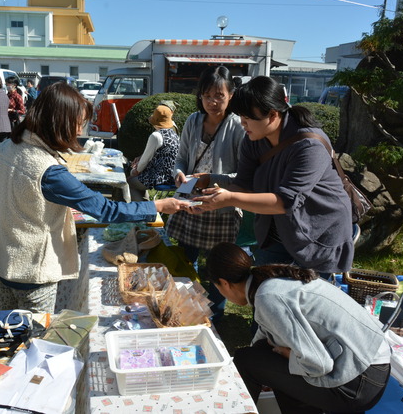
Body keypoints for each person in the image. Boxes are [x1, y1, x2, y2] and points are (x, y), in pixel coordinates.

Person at [0, 83, 188, 313]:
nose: (80, 131)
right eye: (78, 123)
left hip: (0, 260)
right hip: (31, 271)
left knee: (3, 333)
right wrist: (157, 206)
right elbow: (106, 209)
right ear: (58, 121)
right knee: (34, 338)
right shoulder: (47, 170)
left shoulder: (6, 147)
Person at [192, 76, 354, 276]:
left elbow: (285, 201)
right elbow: (243, 185)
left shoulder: (309, 145)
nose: (243, 123)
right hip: (276, 231)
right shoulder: (253, 139)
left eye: (248, 117)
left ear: (273, 114)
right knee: (266, 293)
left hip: (317, 232)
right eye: (241, 116)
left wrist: (229, 198)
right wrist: (208, 198)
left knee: (306, 301)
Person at [205, 242, 390, 414]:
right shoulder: (269, 281)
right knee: (262, 356)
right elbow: (264, 337)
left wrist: (287, 354)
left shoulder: (268, 296)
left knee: (246, 360)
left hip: (358, 382)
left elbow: (319, 363)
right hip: (368, 366)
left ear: (224, 283)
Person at [165, 65, 246, 322]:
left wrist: (214, 180)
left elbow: (244, 175)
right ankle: (183, 309)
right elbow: (180, 160)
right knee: (185, 262)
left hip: (220, 207)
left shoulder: (237, 126)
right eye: (207, 95)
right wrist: (179, 174)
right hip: (190, 204)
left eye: (219, 95)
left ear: (231, 95)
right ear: (200, 96)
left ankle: (214, 317)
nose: (213, 101)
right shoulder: (193, 121)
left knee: (218, 268)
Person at [127, 103, 179, 201]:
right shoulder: (174, 134)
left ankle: (142, 212)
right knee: (139, 181)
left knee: (130, 182)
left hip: (158, 177)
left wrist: (134, 172)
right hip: (172, 177)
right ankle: (146, 207)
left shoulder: (156, 136)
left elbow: (143, 162)